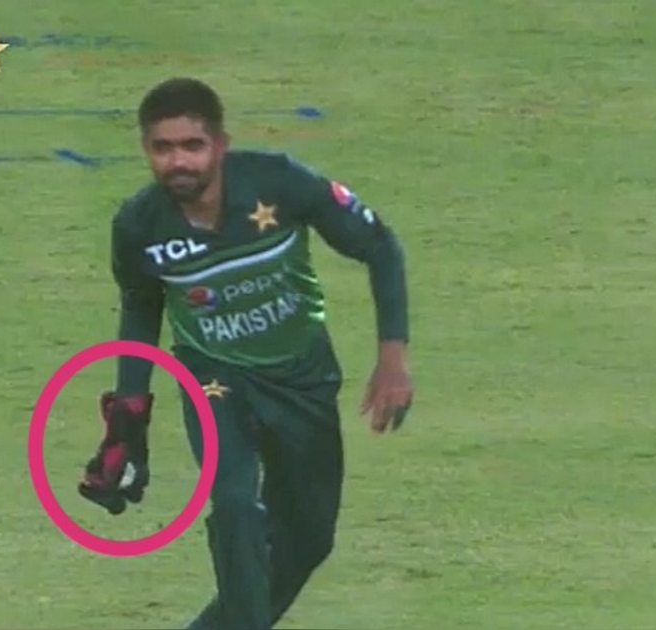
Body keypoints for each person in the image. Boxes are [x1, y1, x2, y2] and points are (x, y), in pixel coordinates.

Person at [76, 77, 415, 630]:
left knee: (308, 540)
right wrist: (127, 416)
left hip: (302, 377)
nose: (178, 161)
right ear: (146, 149)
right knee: (235, 505)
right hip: (214, 379)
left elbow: (379, 246)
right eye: (163, 148)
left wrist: (393, 358)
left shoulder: (278, 183)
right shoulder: (138, 226)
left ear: (220, 145)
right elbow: (141, 309)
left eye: (192, 145)